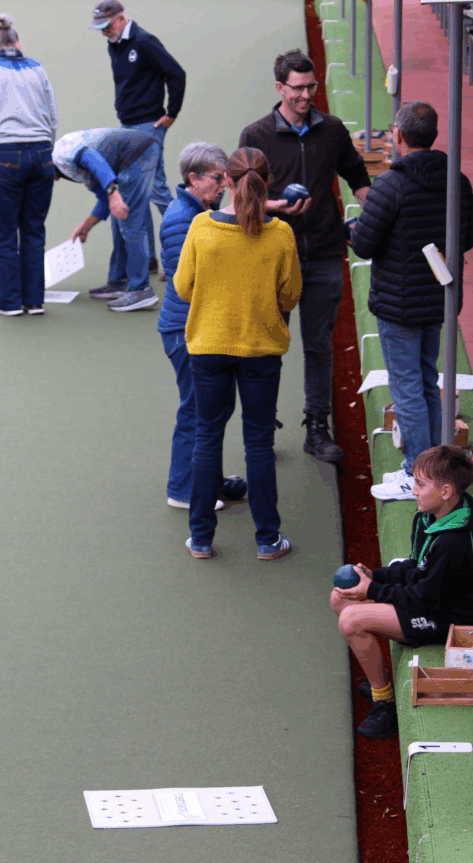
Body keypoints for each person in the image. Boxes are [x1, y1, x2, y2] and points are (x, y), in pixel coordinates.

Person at [239, 49, 370, 464]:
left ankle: (317, 427)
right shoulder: (255, 136)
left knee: (318, 346)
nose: (306, 95)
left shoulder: (331, 130)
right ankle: (263, 424)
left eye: (311, 86)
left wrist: (387, 218)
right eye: (298, 88)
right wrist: (278, 207)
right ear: (280, 87)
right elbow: (243, 201)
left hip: (326, 254)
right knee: (267, 347)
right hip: (273, 259)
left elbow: (358, 179)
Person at [174, 147, 302, 560]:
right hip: (261, 351)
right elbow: (291, 294)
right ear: (268, 183)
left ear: (226, 180)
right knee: (259, 444)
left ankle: (202, 538)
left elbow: (182, 288)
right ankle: (267, 539)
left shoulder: (201, 226)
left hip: (209, 348)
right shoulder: (280, 234)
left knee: (207, 437)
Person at [350, 102, 473, 501]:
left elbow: (365, 243)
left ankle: (418, 475)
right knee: (425, 382)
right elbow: (466, 236)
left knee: (408, 388)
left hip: (400, 305)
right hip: (438, 299)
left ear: (398, 136)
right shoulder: (457, 180)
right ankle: (433, 468)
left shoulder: (391, 184)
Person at [331, 446, 473, 738]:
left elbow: (424, 600)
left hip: (451, 620)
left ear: (446, 491)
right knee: (340, 598)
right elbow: (415, 567)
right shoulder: (429, 517)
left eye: (421, 484)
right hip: (430, 600)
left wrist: (373, 589)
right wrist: (375, 576)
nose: (414, 489)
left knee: (351, 620)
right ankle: (378, 683)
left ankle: (384, 701)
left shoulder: (454, 543)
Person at [158, 141, 245, 511]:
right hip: (186, 330)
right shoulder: (182, 220)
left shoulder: (197, 212)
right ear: (193, 178)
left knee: (212, 408)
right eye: (217, 178)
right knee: (196, 411)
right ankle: (184, 491)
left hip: (195, 328)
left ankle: (205, 477)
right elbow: (189, 282)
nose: (223, 185)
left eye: (226, 178)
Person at [0, 14, 58, 316]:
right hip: (43, 154)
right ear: (18, 44)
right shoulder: (37, 69)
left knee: (4, 232)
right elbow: (52, 115)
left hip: (5, 154)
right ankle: (34, 301)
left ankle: (9, 302)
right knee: (33, 229)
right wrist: (48, 149)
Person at [89, 0, 184, 281]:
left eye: (106, 26)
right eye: (100, 28)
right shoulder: (115, 44)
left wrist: (171, 114)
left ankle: (180, 259)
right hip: (128, 128)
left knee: (157, 193)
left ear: (121, 19)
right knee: (138, 193)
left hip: (148, 128)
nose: (104, 32)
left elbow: (176, 73)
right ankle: (151, 260)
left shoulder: (144, 42)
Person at [52, 126, 160, 311]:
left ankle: (141, 289)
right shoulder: (68, 170)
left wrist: (113, 192)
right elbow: (103, 198)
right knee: (119, 218)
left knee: (129, 220)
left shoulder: (61, 153)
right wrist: (86, 226)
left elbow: (91, 158)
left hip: (137, 154)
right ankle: (119, 282)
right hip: (132, 156)